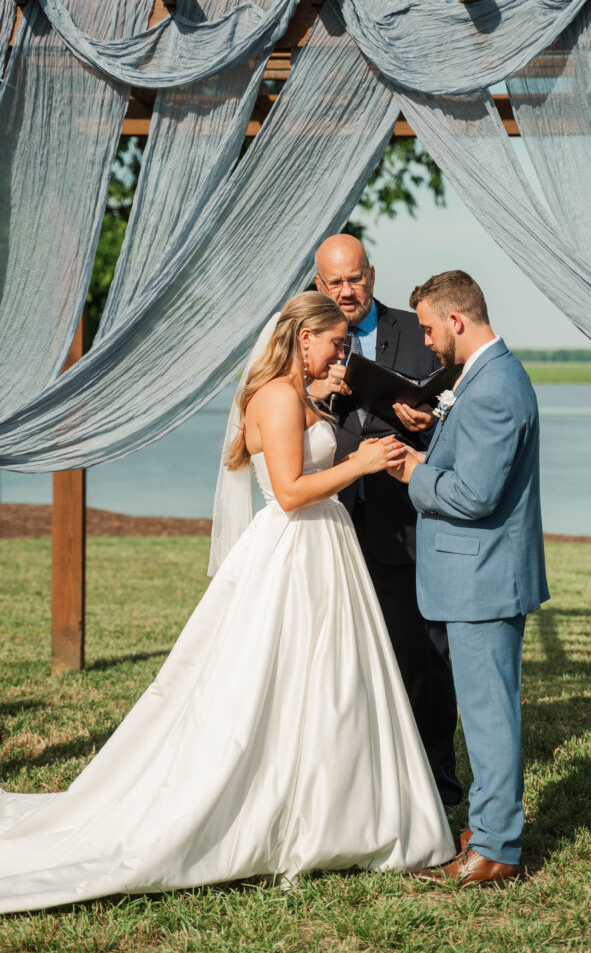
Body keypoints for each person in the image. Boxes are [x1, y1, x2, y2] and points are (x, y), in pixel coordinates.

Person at [0, 292, 454, 914]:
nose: (341, 354)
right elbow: (291, 492)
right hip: (295, 550)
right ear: (303, 339)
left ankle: (339, 811)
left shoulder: (306, 396)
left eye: (345, 347)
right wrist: (362, 463)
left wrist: (372, 428)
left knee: (333, 684)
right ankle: (284, 812)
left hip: (326, 549)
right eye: (335, 344)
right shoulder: (273, 396)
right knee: (279, 680)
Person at [389, 270, 549, 886]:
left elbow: (477, 495)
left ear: (457, 320)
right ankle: (488, 827)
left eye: (429, 328)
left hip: (483, 577)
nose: (425, 340)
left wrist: (413, 476)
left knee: (488, 715)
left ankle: (496, 849)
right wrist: (432, 453)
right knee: (487, 712)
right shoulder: (482, 378)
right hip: (481, 573)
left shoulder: (493, 388)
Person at [310, 234, 461, 811]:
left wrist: (424, 421)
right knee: (341, 660)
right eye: (335, 283)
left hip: (403, 522)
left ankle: (439, 787)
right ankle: (359, 788)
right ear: (318, 284)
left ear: (372, 274)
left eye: (357, 279)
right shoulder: (303, 337)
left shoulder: (418, 332)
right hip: (333, 524)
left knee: (421, 655)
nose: (347, 292)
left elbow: (453, 413)